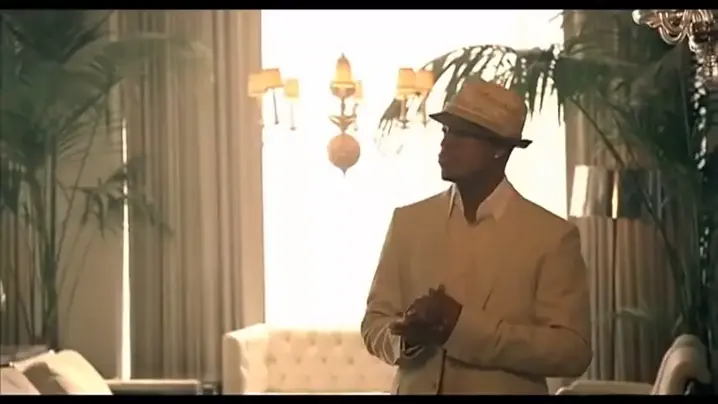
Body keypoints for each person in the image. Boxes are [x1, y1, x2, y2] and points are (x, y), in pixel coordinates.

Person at [360, 79, 592, 394]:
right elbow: (374, 322)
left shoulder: (551, 237)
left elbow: (572, 351)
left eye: (461, 134)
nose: (445, 143)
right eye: (445, 130)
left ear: (499, 149)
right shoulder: (408, 222)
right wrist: (406, 339)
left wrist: (460, 327)